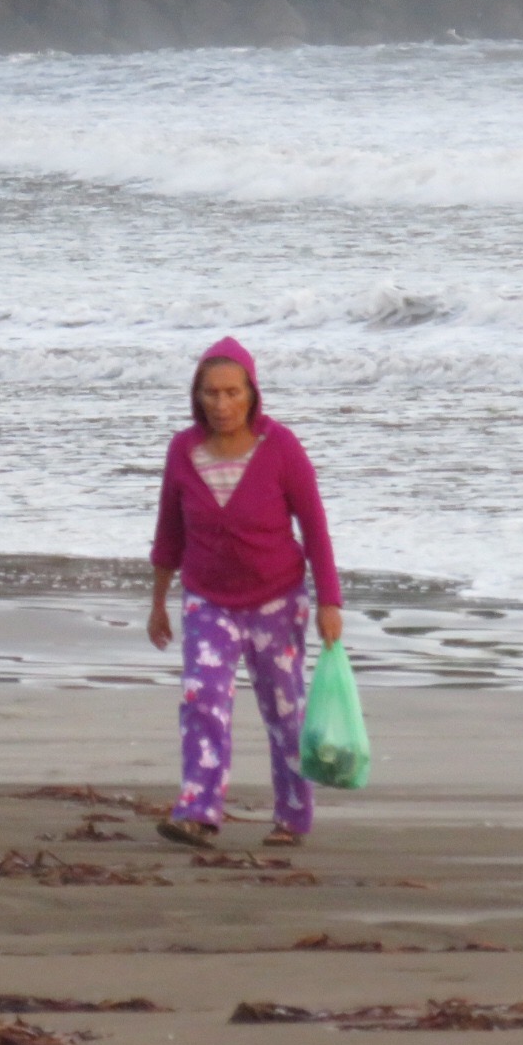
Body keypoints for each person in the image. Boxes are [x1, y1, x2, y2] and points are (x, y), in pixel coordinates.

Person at [148, 337, 342, 849]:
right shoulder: (183, 451)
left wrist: (330, 601)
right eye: (211, 393)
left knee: (285, 710)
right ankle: (198, 811)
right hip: (208, 600)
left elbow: (315, 528)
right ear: (197, 396)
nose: (222, 403)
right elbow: (169, 532)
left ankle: (292, 817)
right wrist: (158, 603)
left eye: (232, 392)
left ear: (252, 393)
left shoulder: (280, 447)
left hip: (277, 600)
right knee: (203, 700)